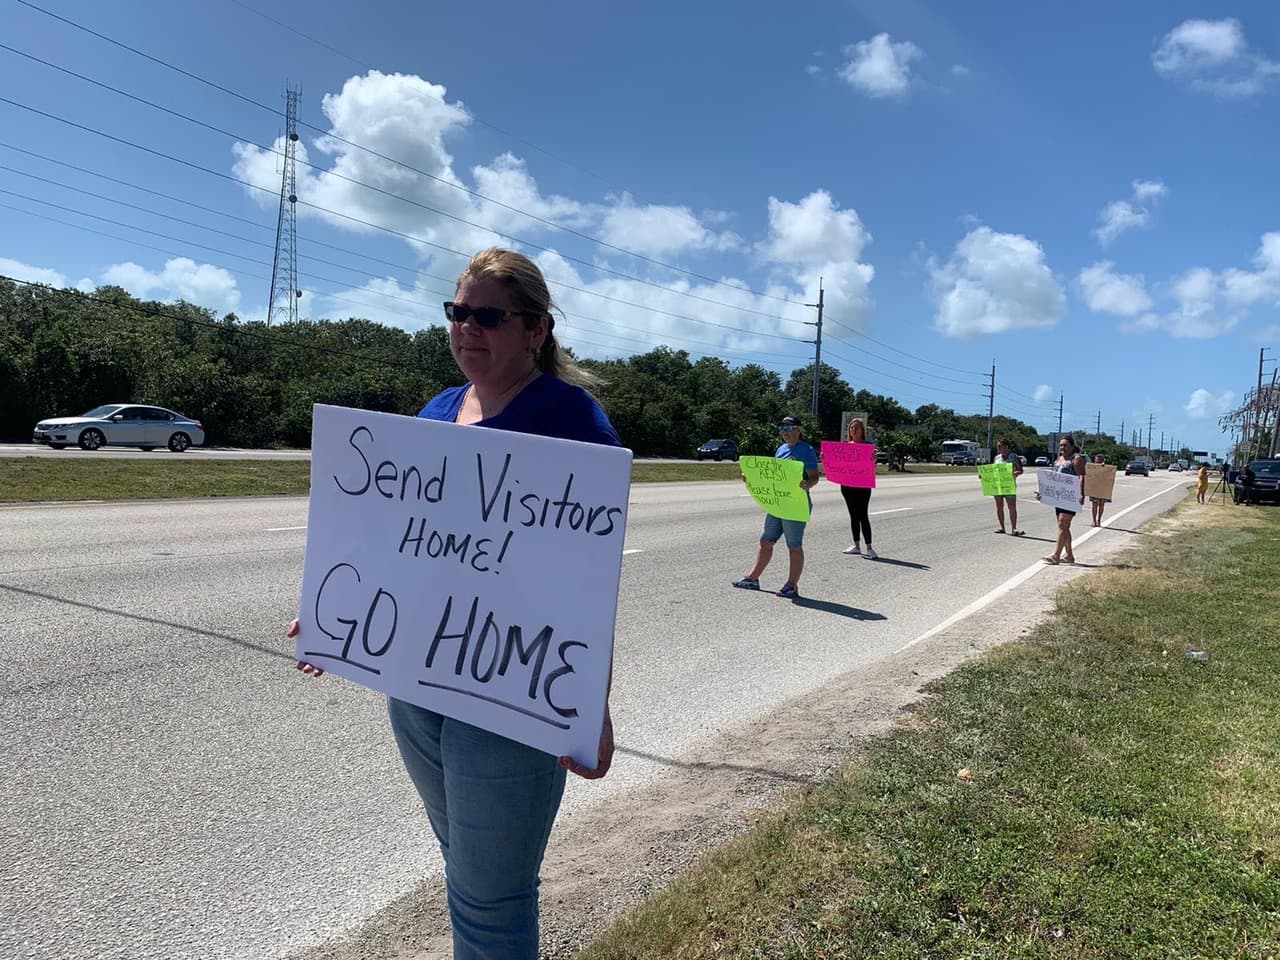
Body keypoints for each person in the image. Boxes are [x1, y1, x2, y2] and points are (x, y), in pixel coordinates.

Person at [289, 248, 621, 960]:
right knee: (465, 871)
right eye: (457, 312)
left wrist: (590, 702)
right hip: (417, 686)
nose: (467, 327)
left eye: (488, 316)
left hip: (510, 694)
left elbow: (587, 580)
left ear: (535, 329)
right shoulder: (437, 412)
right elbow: (393, 543)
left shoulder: (572, 420)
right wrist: (330, 612)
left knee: (491, 899)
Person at [732, 415, 820, 598]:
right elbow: (771, 476)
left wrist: (807, 483)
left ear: (799, 430)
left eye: (789, 428)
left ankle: (792, 585)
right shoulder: (780, 450)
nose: (785, 433)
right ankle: (752, 578)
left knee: (794, 545)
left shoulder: (806, 450)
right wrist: (751, 478)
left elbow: (815, 476)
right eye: (782, 429)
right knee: (766, 541)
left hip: (795, 504)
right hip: (778, 503)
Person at [1037, 435, 1084, 564]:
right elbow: (1052, 479)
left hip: (1070, 497)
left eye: (1065, 445)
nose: (1062, 447)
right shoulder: (1059, 459)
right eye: (1061, 445)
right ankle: (1069, 555)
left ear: (1072, 446)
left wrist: (1080, 494)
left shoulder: (1076, 459)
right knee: (1063, 525)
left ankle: (1056, 555)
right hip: (1058, 498)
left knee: (1063, 523)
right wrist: (1043, 493)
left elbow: (1081, 476)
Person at [839, 417, 879, 558]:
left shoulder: (868, 446)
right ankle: (856, 545)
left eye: (857, 427)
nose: (854, 430)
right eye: (851, 427)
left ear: (862, 430)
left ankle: (869, 548)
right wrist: (826, 458)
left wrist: (873, 460)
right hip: (847, 486)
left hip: (862, 486)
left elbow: (871, 468)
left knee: (863, 515)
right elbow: (838, 466)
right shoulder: (845, 447)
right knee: (853, 516)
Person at [992, 438, 1025, 536]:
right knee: (999, 506)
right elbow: (993, 470)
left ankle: (1014, 528)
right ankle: (1002, 527)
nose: (1000, 448)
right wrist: (985, 476)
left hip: (1009, 485)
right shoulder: (996, 458)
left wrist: (1014, 473)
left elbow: (1021, 470)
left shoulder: (1014, 457)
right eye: (998, 447)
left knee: (1012, 507)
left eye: (1001, 446)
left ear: (1007, 447)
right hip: (998, 485)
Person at [1089, 453, 1110, 527]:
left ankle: (1099, 520)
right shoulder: (1092, 467)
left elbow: (1109, 477)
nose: (1096, 462)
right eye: (1095, 460)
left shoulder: (1105, 468)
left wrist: (1103, 467)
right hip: (1094, 487)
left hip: (1103, 488)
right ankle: (1094, 520)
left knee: (1101, 504)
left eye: (1098, 461)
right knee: (1094, 504)